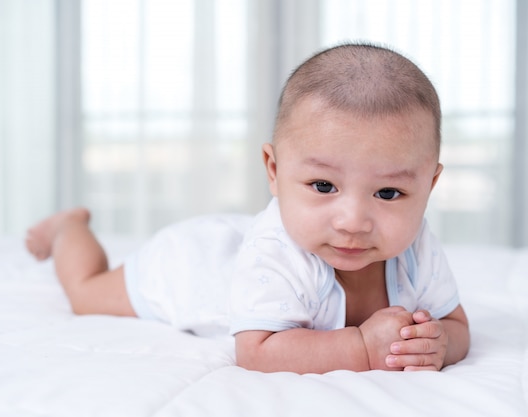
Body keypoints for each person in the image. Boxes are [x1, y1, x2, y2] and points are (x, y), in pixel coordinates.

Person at [26, 43, 470, 374]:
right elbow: (256, 350)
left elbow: (457, 327)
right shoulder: (274, 253)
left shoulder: (416, 245)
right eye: (322, 185)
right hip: (193, 264)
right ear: (273, 170)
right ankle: (68, 228)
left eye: (388, 193)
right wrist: (360, 348)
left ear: (429, 185)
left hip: (234, 244)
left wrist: (438, 344)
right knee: (86, 293)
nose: (352, 221)